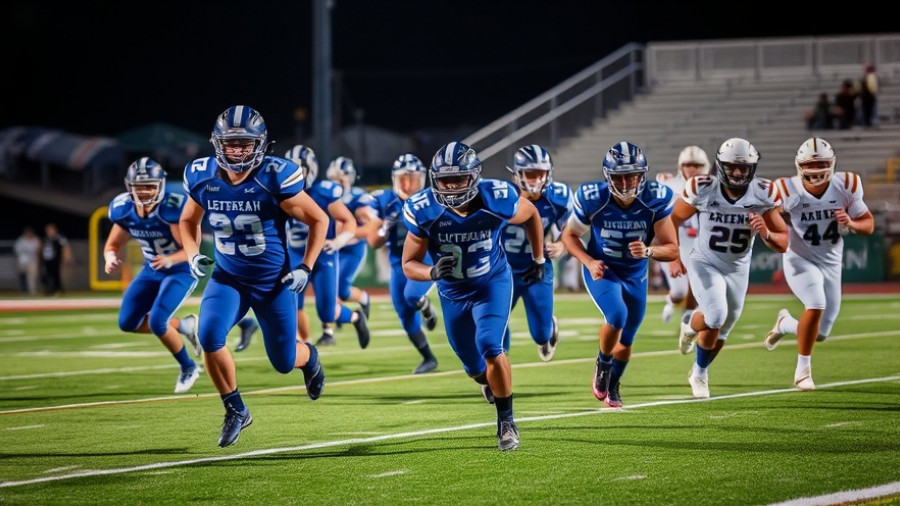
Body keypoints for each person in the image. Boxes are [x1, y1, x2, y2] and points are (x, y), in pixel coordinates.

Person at [179, 105, 329, 448]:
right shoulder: (203, 176)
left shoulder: (274, 176)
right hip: (228, 278)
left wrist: (305, 266)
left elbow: (319, 220)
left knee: (283, 361)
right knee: (209, 335)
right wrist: (190, 253)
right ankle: (235, 409)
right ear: (217, 144)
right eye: (231, 143)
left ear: (260, 145)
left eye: (245, 144)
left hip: (273, 283)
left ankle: (311, 358)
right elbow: (188, 221)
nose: (237, 150)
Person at [401, 141, 545, 451]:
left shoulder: (496, 197)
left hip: (491, 282)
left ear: (474, 177)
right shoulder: (424, 210)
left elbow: (532, 214)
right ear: (434, 179)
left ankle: (506, 422)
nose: (451, 187)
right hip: (452, 292)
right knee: (473, 365)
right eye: (445, 181)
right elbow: (408, 264)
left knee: (491, 345)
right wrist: (431, 273)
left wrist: (539, 259)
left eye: (459, 179)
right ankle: (486, 383)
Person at [560, 141, 679, 408]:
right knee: (617, 315)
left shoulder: (655, 198)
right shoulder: (594, 197)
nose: (626, 183)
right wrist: (589, 262)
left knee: (626, 341)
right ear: (608, 176)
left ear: (642, 175)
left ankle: (613, 384)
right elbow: (569, 236)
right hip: (604, 270)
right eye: (619, 177)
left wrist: (648, 251)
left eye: (632, 176)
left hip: (636, 274)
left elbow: (672, 250)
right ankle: (603, 363)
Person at [667, 138, 789, 399]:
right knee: (716, 315)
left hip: (738, 267)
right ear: (720, 166)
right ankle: (700, 374)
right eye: (732, 167)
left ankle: (690, 327)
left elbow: (783, 241)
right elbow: (672, 219)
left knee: (723, 328)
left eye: (743, 168)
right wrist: (674, 255)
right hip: (705, 261)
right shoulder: (703, 188)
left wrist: (766, 232)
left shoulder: (763, 193)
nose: (737, 173)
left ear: (752, 169)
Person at [763, 137, 874, 390]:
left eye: (822, 163)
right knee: (816, 303)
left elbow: (868, 224)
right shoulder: (785, 189)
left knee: (821, 333)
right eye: (810, 165)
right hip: (799, 257)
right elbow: (771, 218)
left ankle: (785, 323)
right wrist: (770, 227)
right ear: (799, 166)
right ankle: (803, 371)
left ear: (832, 164)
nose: (816, 170)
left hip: (832, 261)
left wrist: (851, 223)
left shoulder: (846, 184)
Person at [103, 157, 202, 393]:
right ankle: (185, 326)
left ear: (160, 185)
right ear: (130, 187)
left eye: (150, 185)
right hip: (152, 269)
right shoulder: (124, 209)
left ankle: (189, 367)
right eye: (140, 186)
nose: (145, 191)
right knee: (127, 322)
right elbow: (111, 245)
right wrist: (110, 257)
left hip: (180, 269)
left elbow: (192, 249)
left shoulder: (171, 208)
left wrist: (170, 259)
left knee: (158, 321)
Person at [283, 146, 370, 348]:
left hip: (323, 256)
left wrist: (338, 241)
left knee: (328, 312)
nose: (294, 174)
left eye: (299, 169)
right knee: (290, 302)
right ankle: (303, 343)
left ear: (310, 169)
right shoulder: (278, 193)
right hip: (295, 253)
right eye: (290, 169)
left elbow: (348, 221)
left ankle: (356, 318)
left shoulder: (323, 192)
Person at [366, 153, 440, 374]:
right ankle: (428, 358)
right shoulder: (384, 200)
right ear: (394, 179)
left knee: (412, 296)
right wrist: (384, 227)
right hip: (398, 263)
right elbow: (374, 242)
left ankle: (425, 306)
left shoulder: (431, 199)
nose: (408, 184)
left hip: (424, 258)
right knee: (404, 312)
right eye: (403, 178)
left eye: (413, 178)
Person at [500, 144, 573, 361]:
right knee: (495, 322)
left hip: (538, 267)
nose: (536, 180)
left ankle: (549, 329)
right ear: (517, 174)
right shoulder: (501, 195)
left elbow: (572, 231)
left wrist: (562, 246)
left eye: (541, 174)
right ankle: (496, 364)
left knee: (541, 334)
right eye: (530, 174)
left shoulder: (558, 196)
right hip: (502, 269)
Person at [655, 146, 710, 350]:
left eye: (696, 165)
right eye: (688, 165)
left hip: (701, 245)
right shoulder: (668, 184)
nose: (692, 169)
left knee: (696, 288)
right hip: (678, 242)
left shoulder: (712, 186)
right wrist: (671, 254)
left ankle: (687, 321)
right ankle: (671, 302)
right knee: (679, 291)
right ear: (680, 166)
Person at [326, 156, 377, 319]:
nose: (337, 184)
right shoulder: (326, 195)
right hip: (332, 247)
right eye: (333, 180)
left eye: (340, 180)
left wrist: (347, 234)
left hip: (352, 249)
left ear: (349, 179)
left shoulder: (358, 197)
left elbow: (372, 226)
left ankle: (363, 298)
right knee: (328, 285)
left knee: (341, 289)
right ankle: (329, 330)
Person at [40, 223, 72, 296]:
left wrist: (67, 257)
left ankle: (58, 289)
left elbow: (66, 246)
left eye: (50, 230)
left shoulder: (59, 238)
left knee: (55, 275)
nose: (49, 231)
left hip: (56, 259)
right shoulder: (45, 239)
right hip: (47, 260)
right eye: (48, 230)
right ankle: (50, 289)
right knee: (47, 275)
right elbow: (41, 248)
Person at [14, 226, 40, 294]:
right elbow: (17, 250)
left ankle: (32, 291)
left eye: (30, 232)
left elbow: (38, 249)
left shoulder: (36, 239)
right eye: (27, 232)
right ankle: (23, 290)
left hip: (32, 261)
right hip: (22, 261)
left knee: (32, 276)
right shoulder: (21, 240)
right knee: (22, 276)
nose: (29, 234)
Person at [859, 63, 879, 127]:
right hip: (865, 97)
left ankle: (871, 121)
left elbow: (874, 87)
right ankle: (867, 122)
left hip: (870, 97)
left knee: (871, 110)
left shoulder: (872, 77)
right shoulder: (865, 77)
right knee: (866, 110)